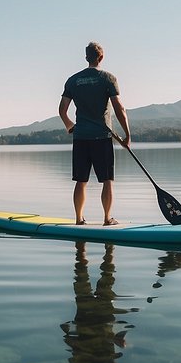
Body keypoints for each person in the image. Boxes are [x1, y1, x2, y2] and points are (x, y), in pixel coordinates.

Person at [58, 41, 130, 226]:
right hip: (102, 137)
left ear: (86, 58)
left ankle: (78, 219)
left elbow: (62, 110)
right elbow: (119, 108)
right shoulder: (108, 78)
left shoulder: (73, 80)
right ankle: (107, 219)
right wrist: (127, 135)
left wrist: (69, 126)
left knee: (81, 180)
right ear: (101, 57)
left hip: (81, 137)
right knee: (107, 180)